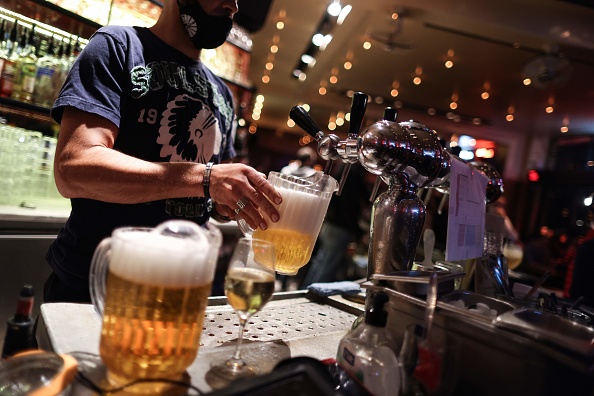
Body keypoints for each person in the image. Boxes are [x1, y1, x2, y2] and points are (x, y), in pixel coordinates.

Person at [44, 0, 282, 303]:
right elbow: (73, 168)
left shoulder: (222, 94)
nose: (233, 6)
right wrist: (205, 178)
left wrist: (230, 201)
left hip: (176, 296)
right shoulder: (118, 46)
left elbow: (209, 196)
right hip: (93, 290)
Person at [300, 162, 368, 287]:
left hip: (329, 223)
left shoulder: (343, 166)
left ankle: (306, 291)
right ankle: (313, 295)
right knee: (327, 267)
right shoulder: (353, 171)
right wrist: (356, 230)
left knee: (320, 262)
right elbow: (349, 204)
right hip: (339, 227)